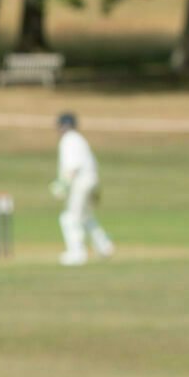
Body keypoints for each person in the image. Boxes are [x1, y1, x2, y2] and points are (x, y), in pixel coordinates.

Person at [52, 111, 115, 266]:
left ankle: (77, 253)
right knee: (85, 216)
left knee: (69, 217)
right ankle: (104, 246)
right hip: (91, 180)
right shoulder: (80, 139)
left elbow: (73, 166)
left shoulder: (68, 140)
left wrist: (63, 185)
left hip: (81, 182)